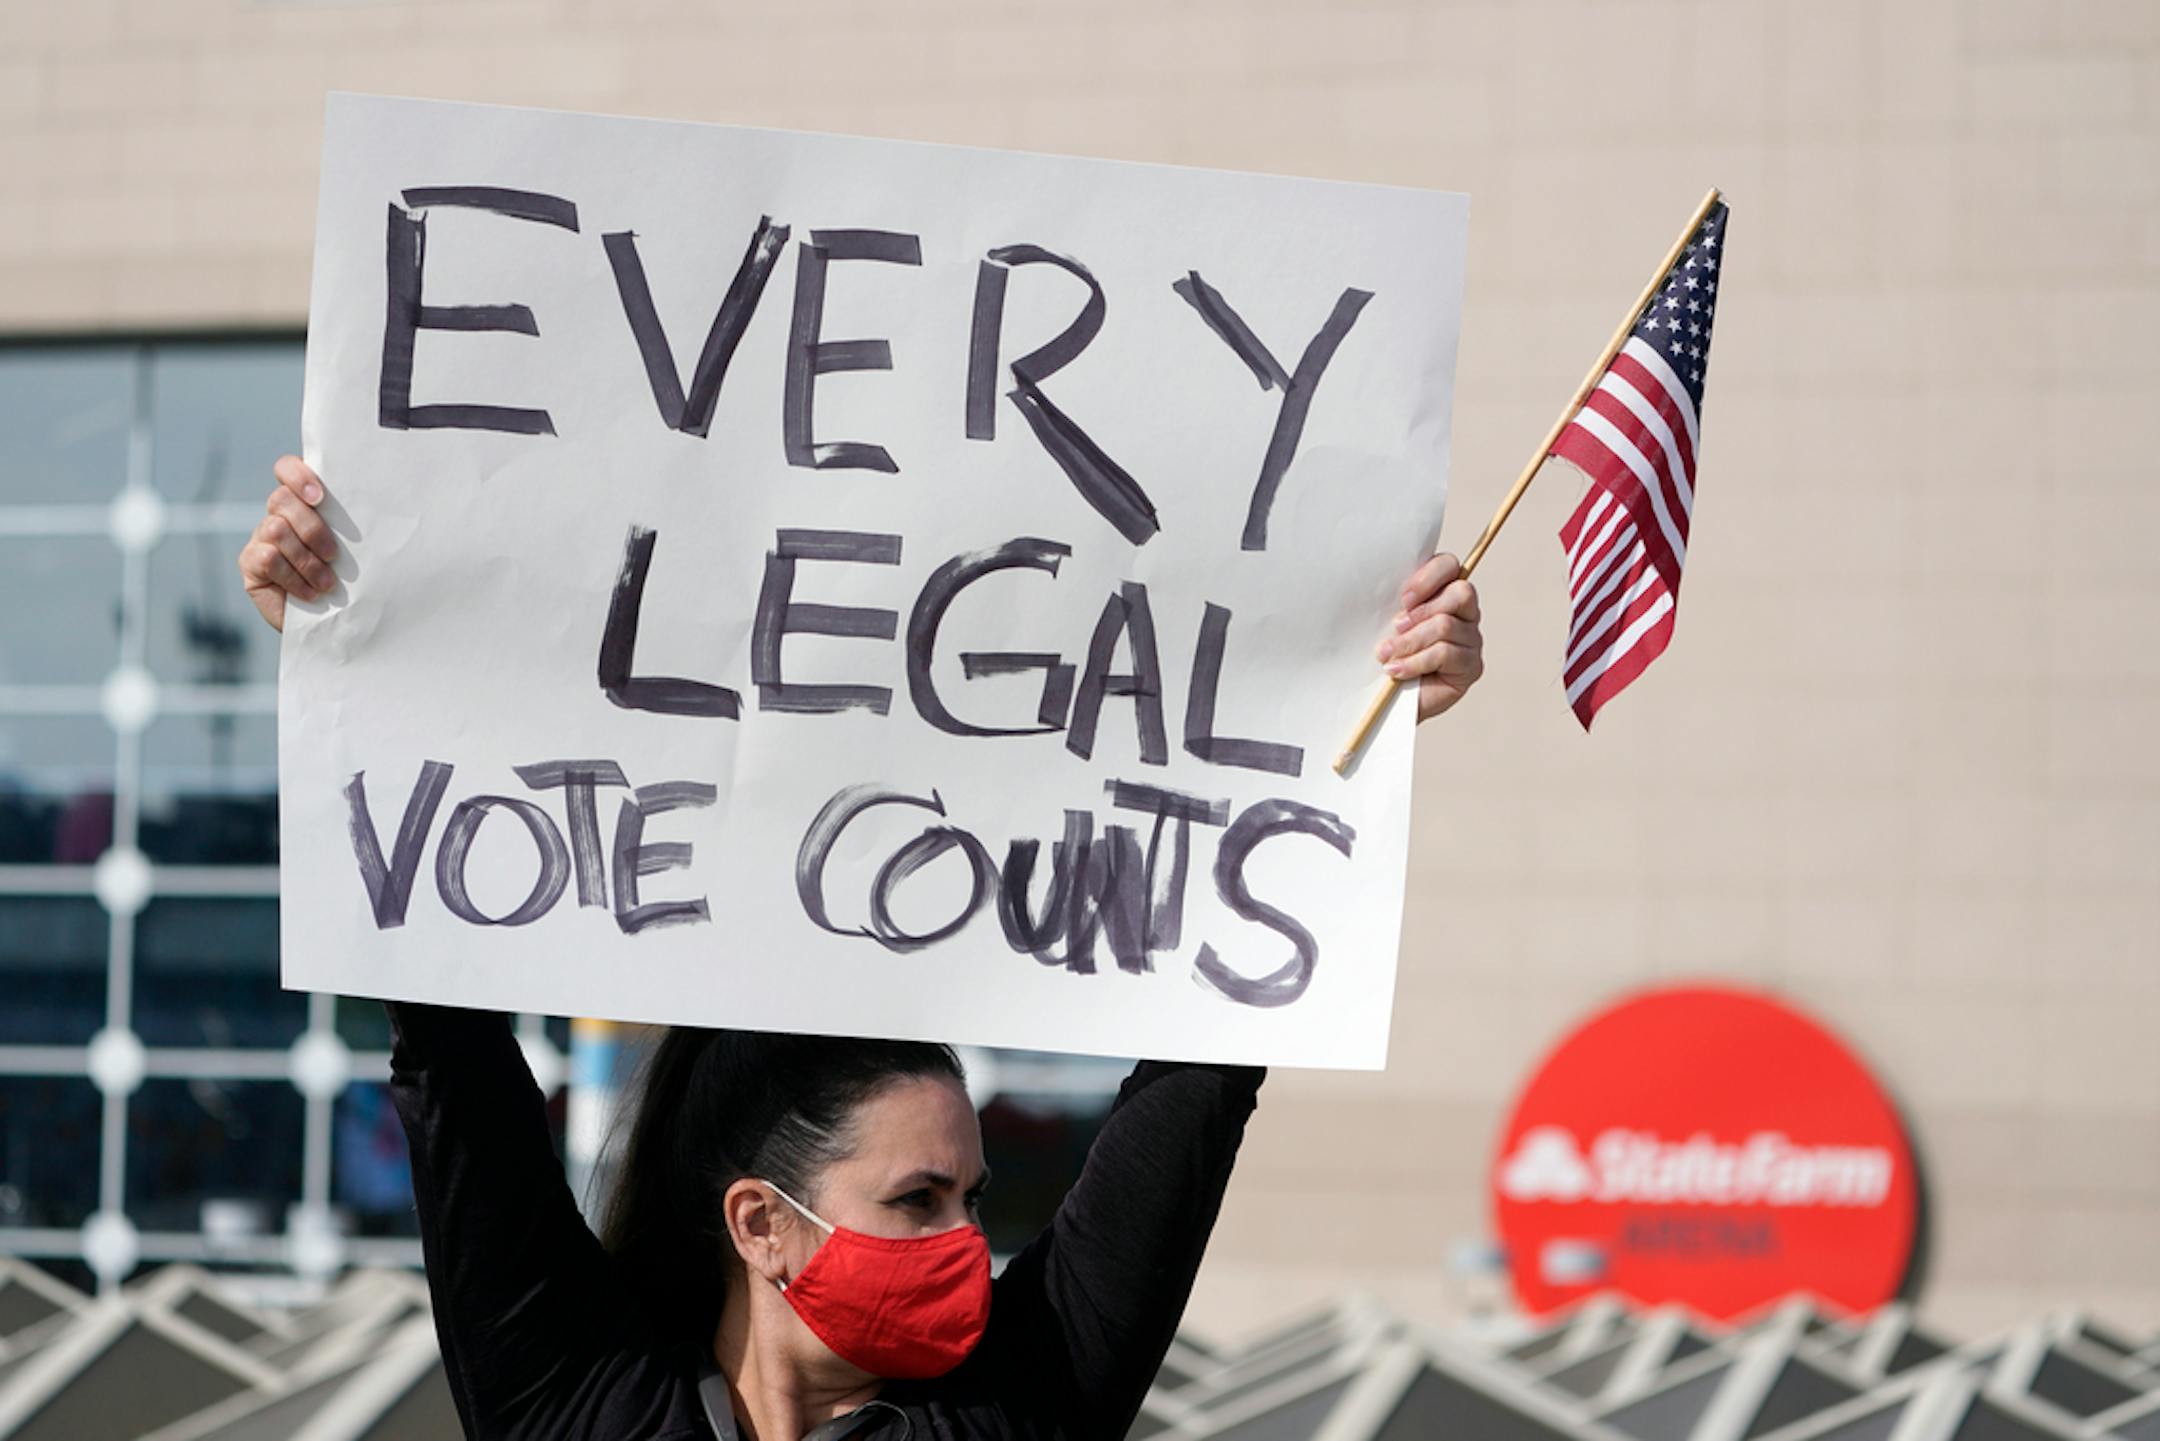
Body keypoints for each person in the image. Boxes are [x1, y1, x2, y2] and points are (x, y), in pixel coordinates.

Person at [242, 456, 1485, 1441]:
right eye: (919, 1199)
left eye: (968, 1198)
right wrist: (345, 635)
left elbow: (1208, 1059)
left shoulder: (1015, 1408)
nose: (966, 1242)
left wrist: (1355, 719)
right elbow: (451, 1057)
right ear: (759, 1223)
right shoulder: (578, 1408)